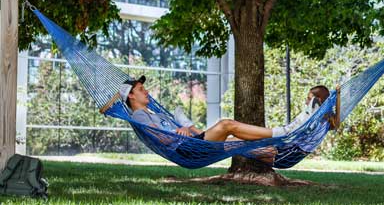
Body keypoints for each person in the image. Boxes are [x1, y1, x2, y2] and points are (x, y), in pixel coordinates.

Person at [118, 75, 339, 143]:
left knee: (250, 144)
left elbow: (183, 133)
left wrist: (187, 128)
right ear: (131, 95)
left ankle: (305, 130)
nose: (145, 91)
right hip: (184, 147)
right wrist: (178, 132)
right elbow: (163, 140)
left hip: (193, 143)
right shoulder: (139, 115)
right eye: (140, 89)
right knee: (226, 124)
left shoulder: (153, 113)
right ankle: (287, 130)